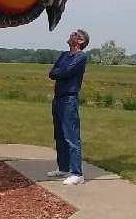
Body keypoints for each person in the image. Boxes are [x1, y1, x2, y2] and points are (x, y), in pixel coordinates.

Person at [47, 29, 89, 185]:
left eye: (75, 34)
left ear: (81, 41)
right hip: (57, 99)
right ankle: (63, 167)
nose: (71, 34)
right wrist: (60, 72)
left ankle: (77, 173)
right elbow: (52, 73)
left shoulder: (81, 57)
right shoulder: (64, 55)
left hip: (69, 100)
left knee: (71, 137)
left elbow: (66, 72)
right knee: (59, 135)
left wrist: (60, 72)